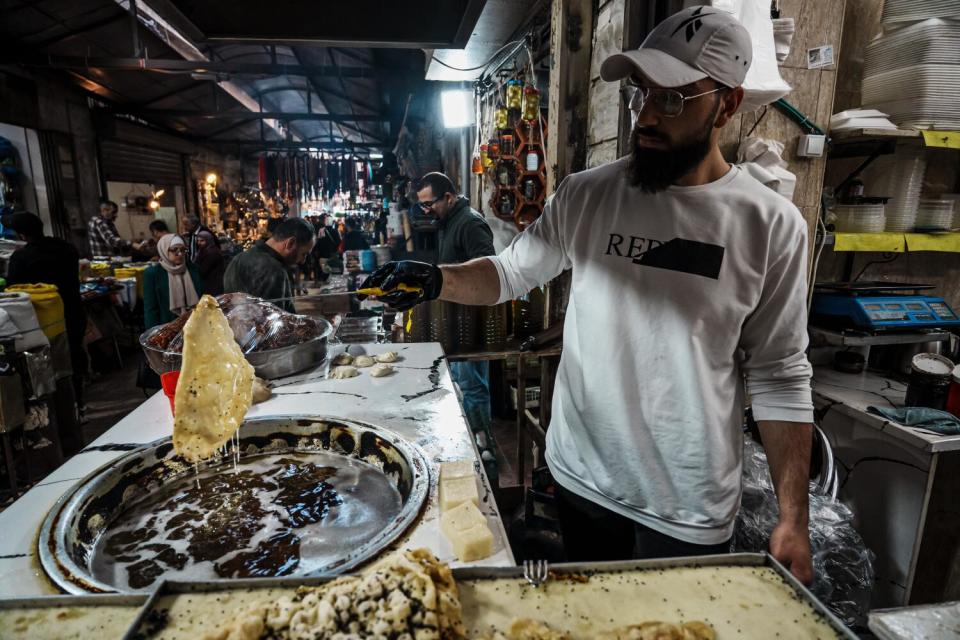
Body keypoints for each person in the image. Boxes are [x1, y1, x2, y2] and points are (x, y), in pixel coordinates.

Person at [360, 6, 815, 583]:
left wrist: (792, 518)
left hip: (686, 508)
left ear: (726, 104)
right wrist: (435, 279)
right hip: (580, 480)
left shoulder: (769, 225)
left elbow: (780, 375)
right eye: (639, 94)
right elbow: (508, 274)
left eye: (672, 99)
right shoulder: (587, 196)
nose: (646, 116)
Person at [3, 211, 87, 453]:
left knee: (51, 376)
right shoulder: (67, 249)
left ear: (21, 234)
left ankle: (55, 423)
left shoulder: (22, 257)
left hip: (45, 327)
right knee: (73, 363)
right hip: (72, 313)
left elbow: (13, 292)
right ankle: (79, 408)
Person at [223, 217, 315, 313]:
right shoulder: (274, 270)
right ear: (290, 243)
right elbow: (274, 322)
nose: (303, 261)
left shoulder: (239, 257)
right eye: (304, 254)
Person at [143, 235, 202, 330]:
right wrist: (153, 332)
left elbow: (202, 298)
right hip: (166, 326)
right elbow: (150, 308)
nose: (180, 254)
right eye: (174, 250)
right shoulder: (153, 273)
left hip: (194, 324)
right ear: (164, 250)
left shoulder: (193, 269)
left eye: (183, 250)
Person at [194, 230, 226, 296]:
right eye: (198, 241)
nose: (199, 243)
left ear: (208, 240)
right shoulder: (203, 250)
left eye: (202, 241)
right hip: (209, 284)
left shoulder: (212, 252)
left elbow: (203, 270)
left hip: (213, 285)